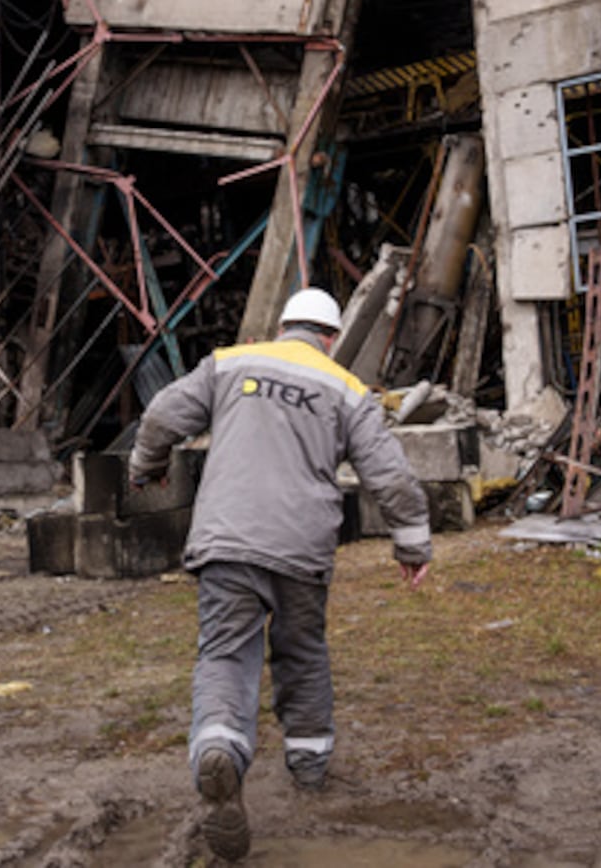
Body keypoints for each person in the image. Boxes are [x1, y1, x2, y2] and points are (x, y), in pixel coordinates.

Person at [128, 286, 431, 862]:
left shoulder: (230, 363)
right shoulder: (346, 389)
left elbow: (164, 413)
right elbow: (388, 474)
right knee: (302, 653)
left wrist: (148, 467)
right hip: (302, 550)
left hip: (228, 542)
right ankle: (309, 766)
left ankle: (220, 746)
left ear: (282, 324)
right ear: (331, 338)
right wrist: (411, 544)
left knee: (223, 654)